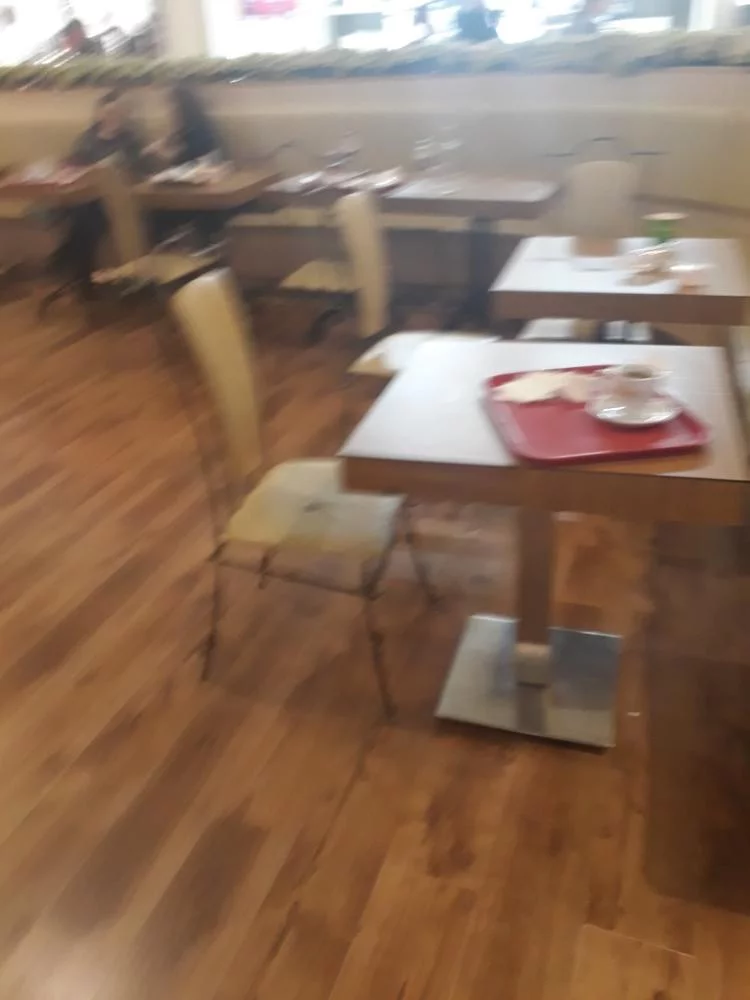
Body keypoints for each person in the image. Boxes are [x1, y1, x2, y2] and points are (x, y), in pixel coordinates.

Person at [48, 89, 146, 296]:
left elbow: (138, 168)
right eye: (108, 112)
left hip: (115, 199)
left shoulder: (129, 139)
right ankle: (81, 276)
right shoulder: (87, 138)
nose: (113, 117)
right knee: (83, 217)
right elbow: (73, 165)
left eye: (117, 112)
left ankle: (72, 267)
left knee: (84, 221)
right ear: (99, 113)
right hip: (84, 197)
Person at [148, 84, 225, 246]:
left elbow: (185, 161)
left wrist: (161, 153)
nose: (169, 110)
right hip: (190, 191)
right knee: (152, 213)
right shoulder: (188, 129)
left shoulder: (198, 131)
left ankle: (162, 254)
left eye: (172, 105)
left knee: (155, 217)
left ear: (182, 106)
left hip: (198, 195)